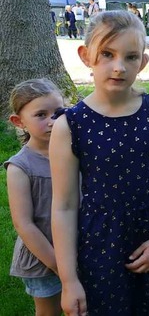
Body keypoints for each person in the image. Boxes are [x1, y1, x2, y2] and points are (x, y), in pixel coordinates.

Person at [50, 11, 149, 316]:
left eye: (130, 57)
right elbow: (64, 206)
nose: (118, 67)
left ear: (142, 62)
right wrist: (69, 278)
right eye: (107, 54)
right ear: (86, 56)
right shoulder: (71, 125)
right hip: (100, 248)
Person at [5, 79, 64, 316]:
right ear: (19, 122)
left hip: (78, 248)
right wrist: (58, 265)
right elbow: (24, 224)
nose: (53, 121)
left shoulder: (73, 152)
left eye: (58, 112)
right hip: (43, 257)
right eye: (41, 115)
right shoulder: (20, 167)